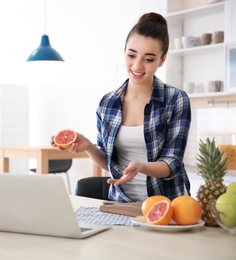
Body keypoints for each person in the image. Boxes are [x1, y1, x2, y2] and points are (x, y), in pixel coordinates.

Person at [56, 12, 191, 202]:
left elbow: (173, 163)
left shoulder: (176, 100)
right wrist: (88, 146)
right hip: (121, 204)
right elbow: (109, 163)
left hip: (166, 203)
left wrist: (142, 166)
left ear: (162, 60)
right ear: (124, 52)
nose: (137, 65)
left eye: (149, 59)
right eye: (131, 55)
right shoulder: (107, 103)